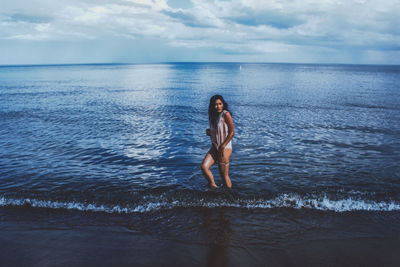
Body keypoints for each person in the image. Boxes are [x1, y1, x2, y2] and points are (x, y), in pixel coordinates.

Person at [201, 95, 234, 189]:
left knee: (224, 176)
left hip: (225, 148)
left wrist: (223, 145)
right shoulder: (213, 116)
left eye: (220, 104)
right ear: (212, 106)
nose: (218, 106)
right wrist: (210, 132)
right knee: (204, 167)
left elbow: (232, 132)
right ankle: (214, 187)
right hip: (215, 146)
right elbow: (219, 130)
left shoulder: (226, 114)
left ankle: (230, 196)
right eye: (215, 104)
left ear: (223, 104)